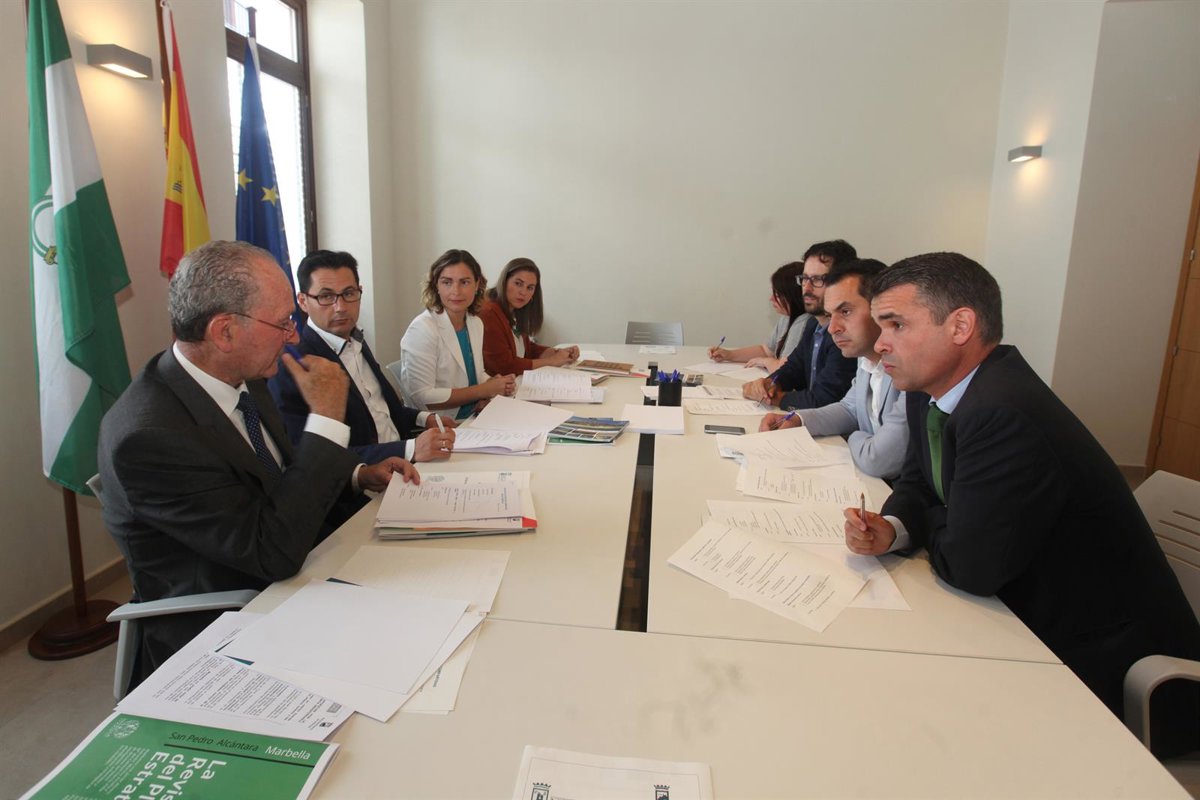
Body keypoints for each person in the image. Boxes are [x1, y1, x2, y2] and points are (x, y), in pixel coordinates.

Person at [844, 251, 1200, 755]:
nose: (880, 344)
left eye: (896, 324)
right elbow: (918, 482)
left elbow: (970, 567)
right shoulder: (929, 390)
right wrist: (896, 525)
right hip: (1022, 608)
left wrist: (941, 519)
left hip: (1099, 663)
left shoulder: (1002, 411)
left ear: (960, 326)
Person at [97, 241, 419, 688]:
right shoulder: (151, 437)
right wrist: (327, 419)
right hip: (231, 618)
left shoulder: (245, 376)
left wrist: (357, 473)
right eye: (283, 322)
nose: (294, 336)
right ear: (225, 332)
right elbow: (271, 554)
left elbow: (281, 473)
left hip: (301, 568)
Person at [269, 249, 456, 464]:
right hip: (368, 477)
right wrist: (409, 449)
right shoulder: (295, 365)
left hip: (405, 463)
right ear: (302, 301)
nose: (340, 308)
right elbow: (310, 459)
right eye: (326, 297)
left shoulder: (355, 340)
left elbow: (383, 410)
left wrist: (425, 418)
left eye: (349, 293)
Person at [759, 259, 906, 480]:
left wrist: (853, 436)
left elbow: (878, 460)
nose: (833, 328)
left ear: (880, 310)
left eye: (845, 311)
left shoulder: (907, 368)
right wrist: (797, 419)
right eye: (830, 315)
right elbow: (849, 409)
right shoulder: (865, 359)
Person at [400, 249, 516, 419]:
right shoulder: (422, 329)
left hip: (475, 414)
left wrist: (493, 382)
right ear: (436, 286)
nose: (456, 291)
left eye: (465, 282)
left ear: (477, 285)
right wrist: (483, 390)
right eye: (447, 282)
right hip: (442, 423)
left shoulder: (475, 323)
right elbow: (422, 397)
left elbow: (475, 373)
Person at [743, 240, 858, 410]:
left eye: (817, 279)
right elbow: (793, 367)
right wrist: (770, 383)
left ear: (841, 282)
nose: (807, 288)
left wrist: (773, 398)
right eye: (804, 279)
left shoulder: (844, 334)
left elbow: (824, 400)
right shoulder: (813, 324)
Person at [479, 257, 580, 375]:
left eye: (530, 288)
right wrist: (552, 361)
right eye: (518, 284)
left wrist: (556, 353)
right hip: (499, 383)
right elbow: (504, 366)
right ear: (504, 281)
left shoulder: (515, 310)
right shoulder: (489, 313)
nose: (523, 292)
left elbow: (525, 349)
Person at [707, 261, 810, 372]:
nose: (771, 299)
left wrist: (765, 361)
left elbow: (784, 369)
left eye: (778, 295)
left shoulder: (803, 322)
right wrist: (729, 354)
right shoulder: (786, 318)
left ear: (793, 296)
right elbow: (766, 351)